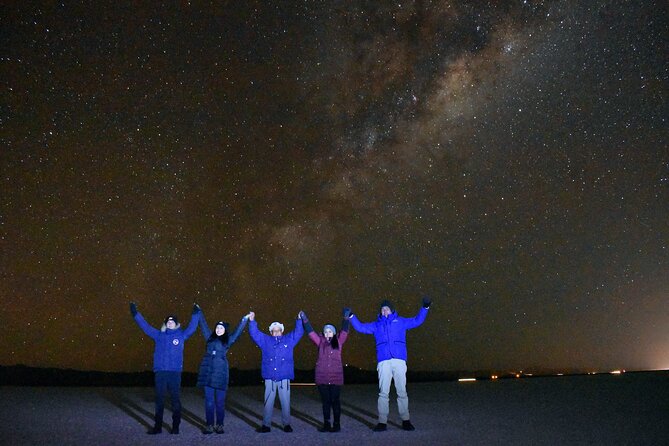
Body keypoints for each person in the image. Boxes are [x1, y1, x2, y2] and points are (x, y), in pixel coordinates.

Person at [347, 296, 431, 431]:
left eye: (387, 309)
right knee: (383, 393)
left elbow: (417, 320)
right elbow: (361, 327)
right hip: (384, 361)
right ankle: (382, 422)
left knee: (401, 391)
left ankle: (405, 420)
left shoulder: (401, 322)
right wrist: (351, 316)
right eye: (382, 309)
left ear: (392, 310)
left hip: (399, 360)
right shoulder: (376, 325)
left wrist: (425, 307)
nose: (385, 311)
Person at [130, 301, 200, 434]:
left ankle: (175, 426)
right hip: (161, 372)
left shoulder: (181, 335)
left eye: (172, 321)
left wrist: (196, 314)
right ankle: (158, 427)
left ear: (176, 324)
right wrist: (135, 314)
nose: (170, 323)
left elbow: (192, 328)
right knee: (159, 400)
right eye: (168, 321)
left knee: (175, 400)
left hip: (174, 373)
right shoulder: (158, 335)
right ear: (165, 323)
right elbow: (145, 326)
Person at [196, 309, 251, 434]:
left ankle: (220, 425)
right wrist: (199, 312)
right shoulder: (209, 338)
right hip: (208, 373)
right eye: (217, 328)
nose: (218, 330)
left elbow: (237, 332)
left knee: (220, 402)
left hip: (221, 374)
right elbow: (203, 325)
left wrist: (245, 319)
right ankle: (209, 425)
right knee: (209, 402)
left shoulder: (228, 340)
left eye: (221, 328)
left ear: (225, 330)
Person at [248, 311, 304, 433]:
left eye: (278, 330)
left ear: (282, 331)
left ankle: (286, 424)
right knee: (268, 402)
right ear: (270, 332)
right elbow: (254, 333)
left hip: (284, 377)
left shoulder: (289, 340)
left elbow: (299, 332)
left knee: (285, 402)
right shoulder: (265, 341)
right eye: (274, 330)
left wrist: (299, 320)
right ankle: (266, 425)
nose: (276, 332)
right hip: (270, 377)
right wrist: (252, 321)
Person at [300, 309, 350, 432]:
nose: (327, 334)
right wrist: (305, 319)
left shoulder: (339, 341)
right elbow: (311, 332)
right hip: (322, 377)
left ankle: (336, 424)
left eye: (330, 332)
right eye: (326, 332)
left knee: (335, 401)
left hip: (335, 377)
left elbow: (344, 331)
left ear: (333, 333)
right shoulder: (320, 342)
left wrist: (346, 318)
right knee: (326, 402)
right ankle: (327, 424)